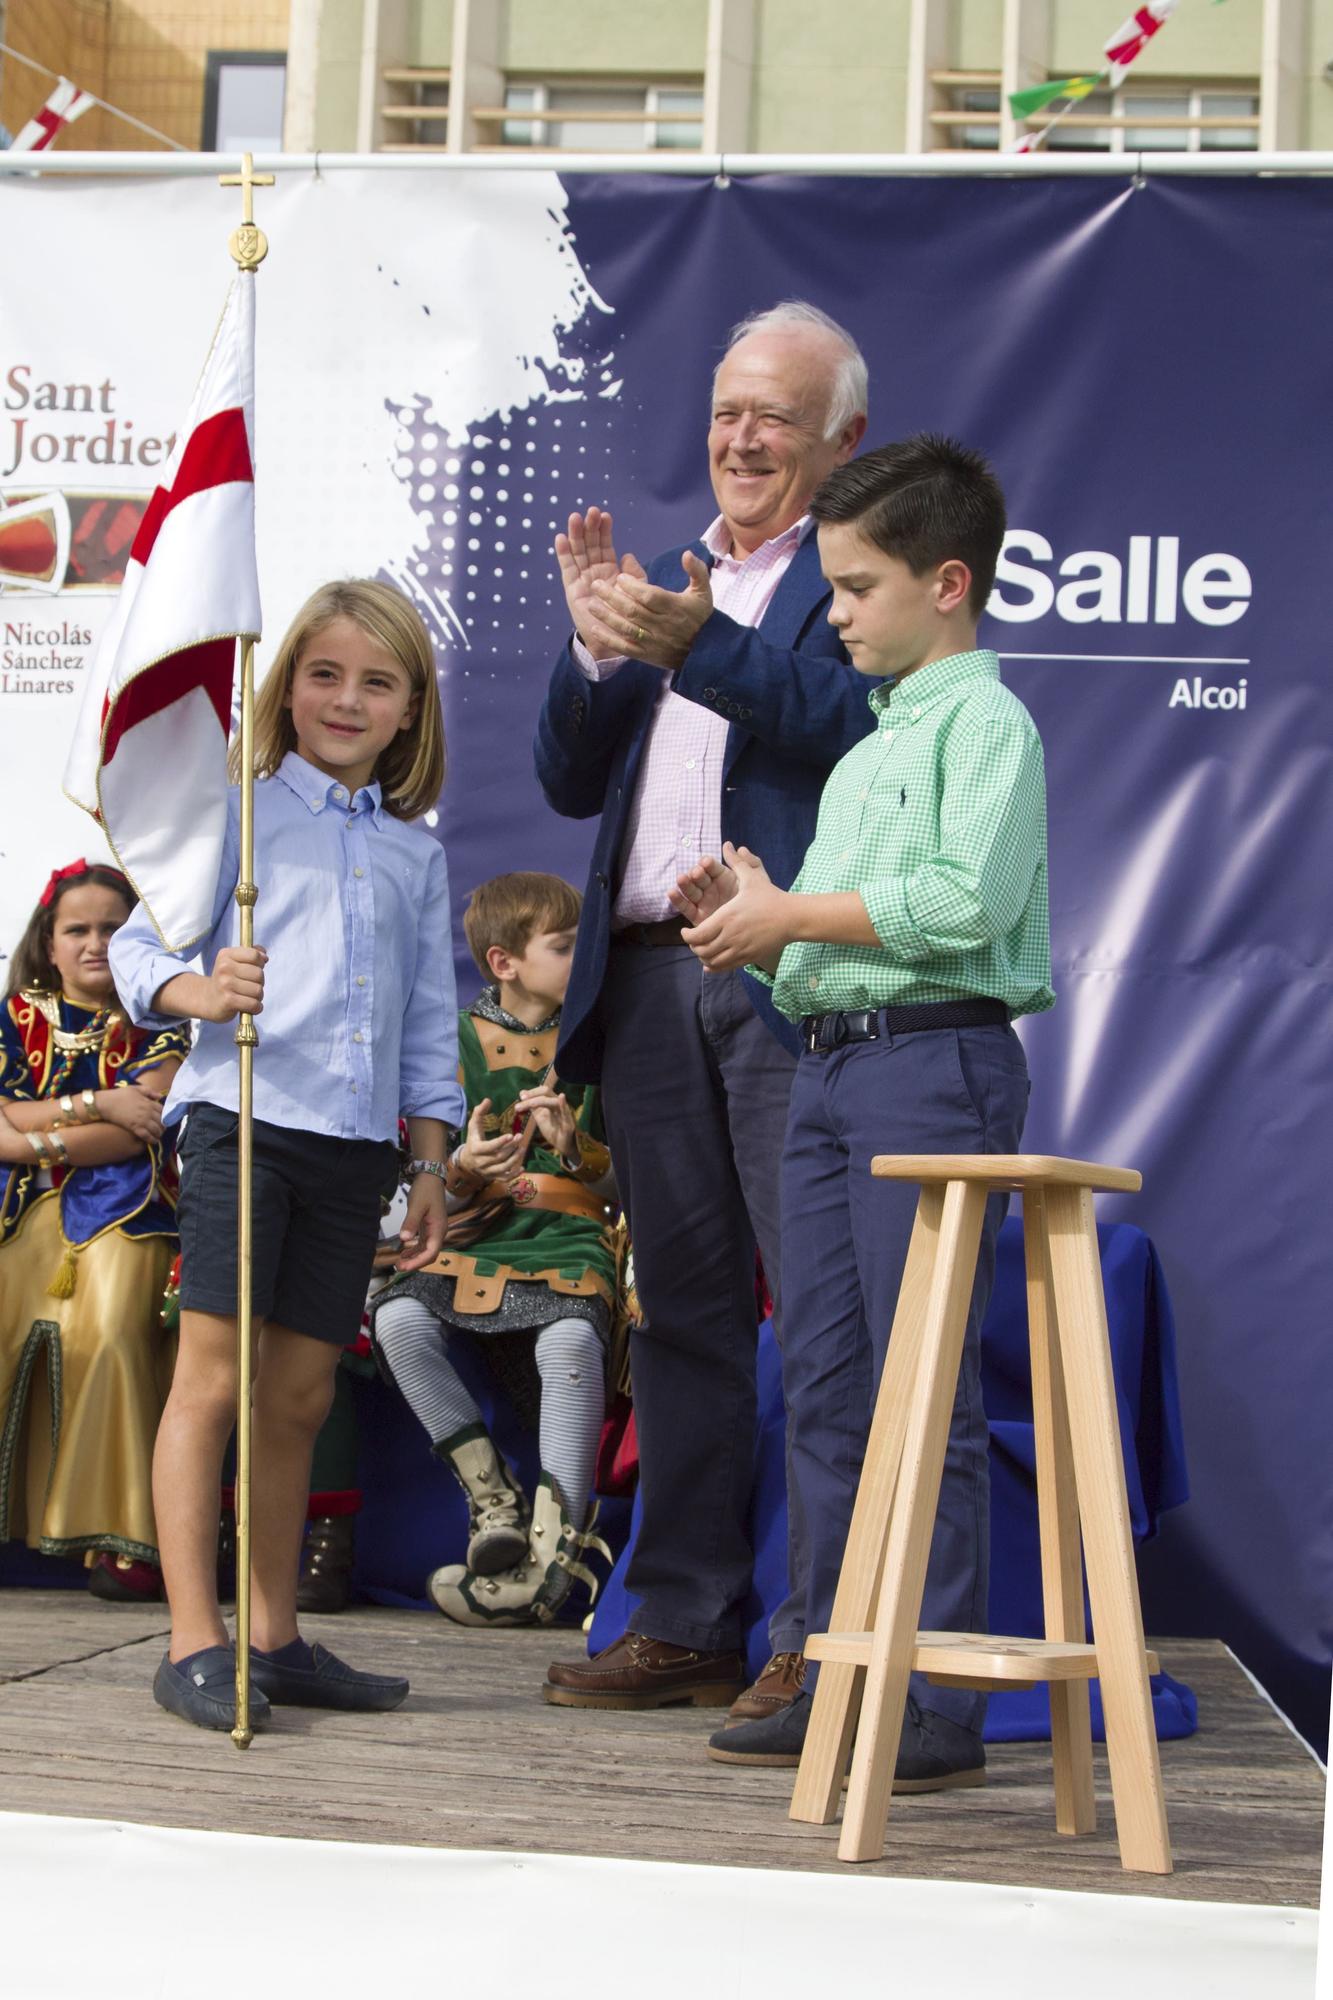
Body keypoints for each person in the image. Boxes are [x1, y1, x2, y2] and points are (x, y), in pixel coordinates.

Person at [670, 436, 1053, 1782]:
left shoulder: (984, 721)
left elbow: (966, 906)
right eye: (830, 588)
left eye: (855, 587)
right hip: (830, 1060)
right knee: (825, 1386)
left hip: (930, 1069)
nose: (833, 614)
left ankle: (933, 1701)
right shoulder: (874, 741)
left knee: (918, 1392)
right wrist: (757, 923)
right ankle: (829, 1658)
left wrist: (795, 916)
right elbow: (839, 940)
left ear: (948, 583)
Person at [537, 299, 875, 1720]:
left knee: (815, 1319)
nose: (740, 439)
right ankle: (681, 1614)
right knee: (677, 1315)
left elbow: (862, 732)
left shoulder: (862, 575)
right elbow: (566, 780)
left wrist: (699, 645)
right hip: (649, 983)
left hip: (780, 978)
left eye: (775, 419)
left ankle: (820, 1635)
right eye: (729, 412)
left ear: (841, 441)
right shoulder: (671, 576)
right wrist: (603, 649)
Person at [110, 578, 466, 1733]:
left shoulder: (416, 855)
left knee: (302, 1393)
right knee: (212, 1381)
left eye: (376, 681)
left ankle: (274, 1635)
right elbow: (130, 944)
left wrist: (428, 1155)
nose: (347, 700)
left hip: (354, 1147)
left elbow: (425, 1019)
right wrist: (198, 987)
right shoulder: (238, 815)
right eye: (324, 674)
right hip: (244, 1122)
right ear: (285, 687)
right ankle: (192, 1640)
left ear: (411, 708)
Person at [373, 871, 614, 1626]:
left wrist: (577, 1149)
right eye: (566, 945)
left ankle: (556, 1549)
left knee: (572, 1338)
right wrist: (462, 1168)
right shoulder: (450, 1042)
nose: (583, 958)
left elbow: (628, 1178)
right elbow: (417, 1169)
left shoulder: (601, 1032)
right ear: (505, 962)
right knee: (398, 1321)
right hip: (474, 1231)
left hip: (570, 1231)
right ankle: (492, 1502)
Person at [0, 860, 188, 1596]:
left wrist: (24, 1135)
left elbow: (141, 1129)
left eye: (114, 928)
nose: (96, 943)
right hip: (17, 1212)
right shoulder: (13, 1016)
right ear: (49, 943)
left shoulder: (163, 1023)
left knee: (111, 1333)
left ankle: (125, 1542)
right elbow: (114, 1116)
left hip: (129, 1212)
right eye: (77, 929)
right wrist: (99, 1103)